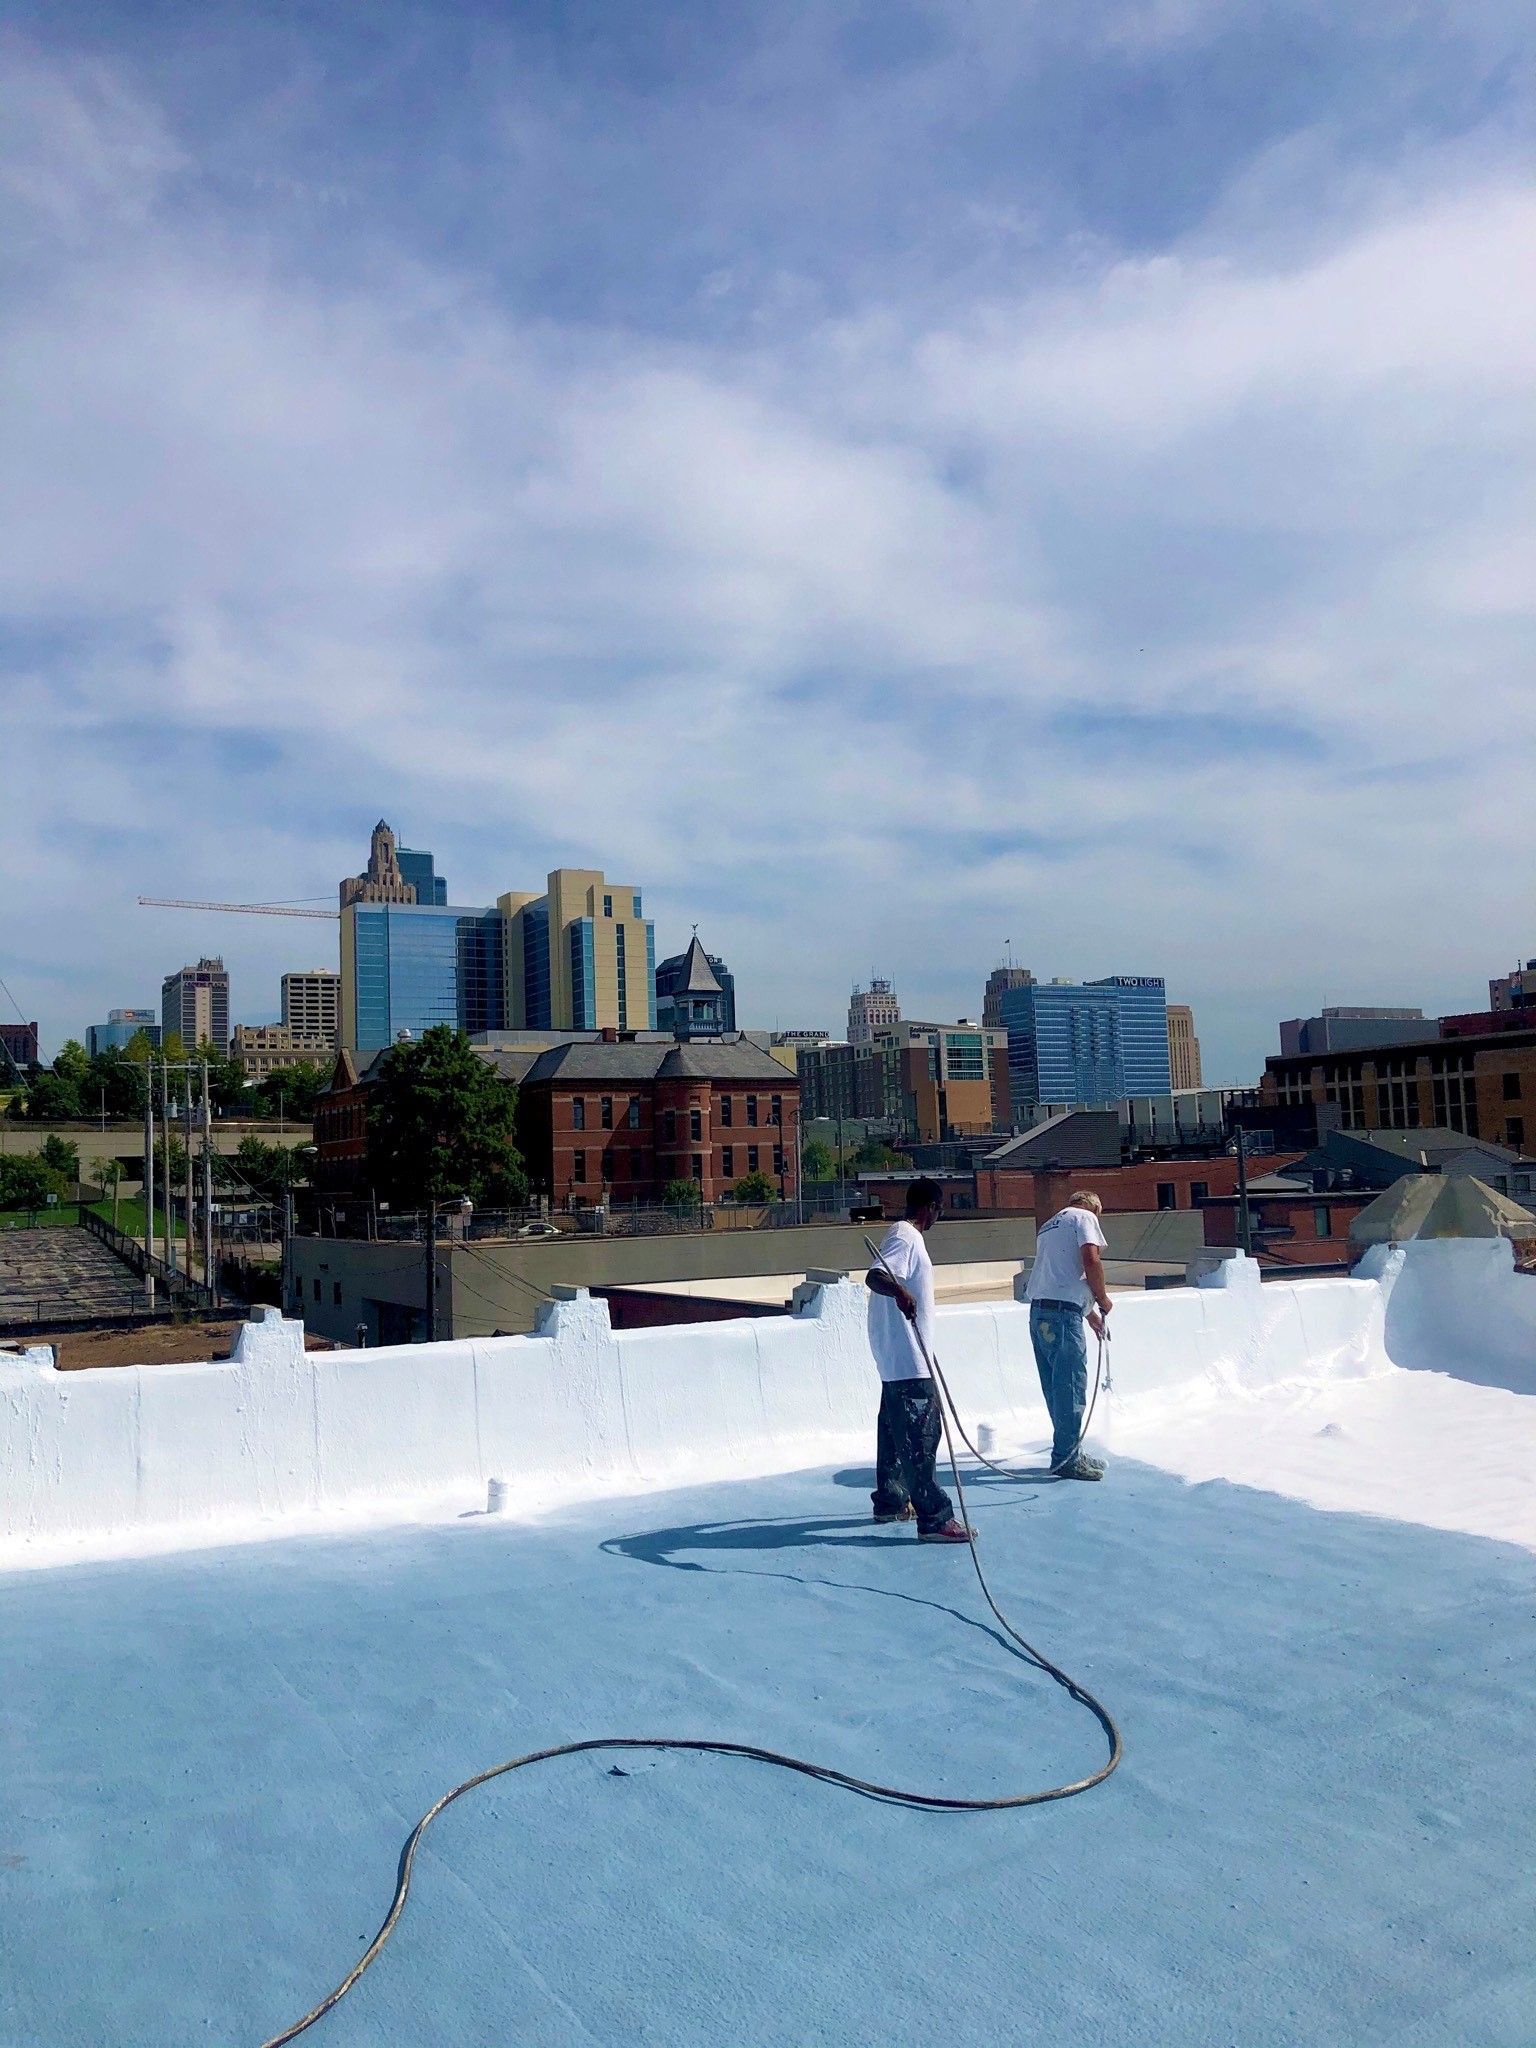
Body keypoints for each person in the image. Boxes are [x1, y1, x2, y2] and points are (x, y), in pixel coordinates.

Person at [863, 1178, 974, 1543]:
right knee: (922, 1438)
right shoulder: (907, 1237)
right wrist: (900, 1291)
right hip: (910, 1360)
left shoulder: (899, 1236)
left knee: (894, 1435)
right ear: (930, 1207)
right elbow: (875, 1276)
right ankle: (934, 1518)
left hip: (896, 1359)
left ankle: (892, 1501)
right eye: (939, 1209)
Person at [1025, 1189, 1112, 1480]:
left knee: (1055, 1387)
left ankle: (1069, 1450)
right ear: (1094, 1208)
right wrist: (1102, 1298)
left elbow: (1058, 1275)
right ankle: (1066, 1459)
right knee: (1071, 1385)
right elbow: (1090, 1260)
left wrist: (1090, 1316)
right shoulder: (1085, 1217)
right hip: (1063, 1318)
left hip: (1040, 1313)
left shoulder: (1049, 1225)